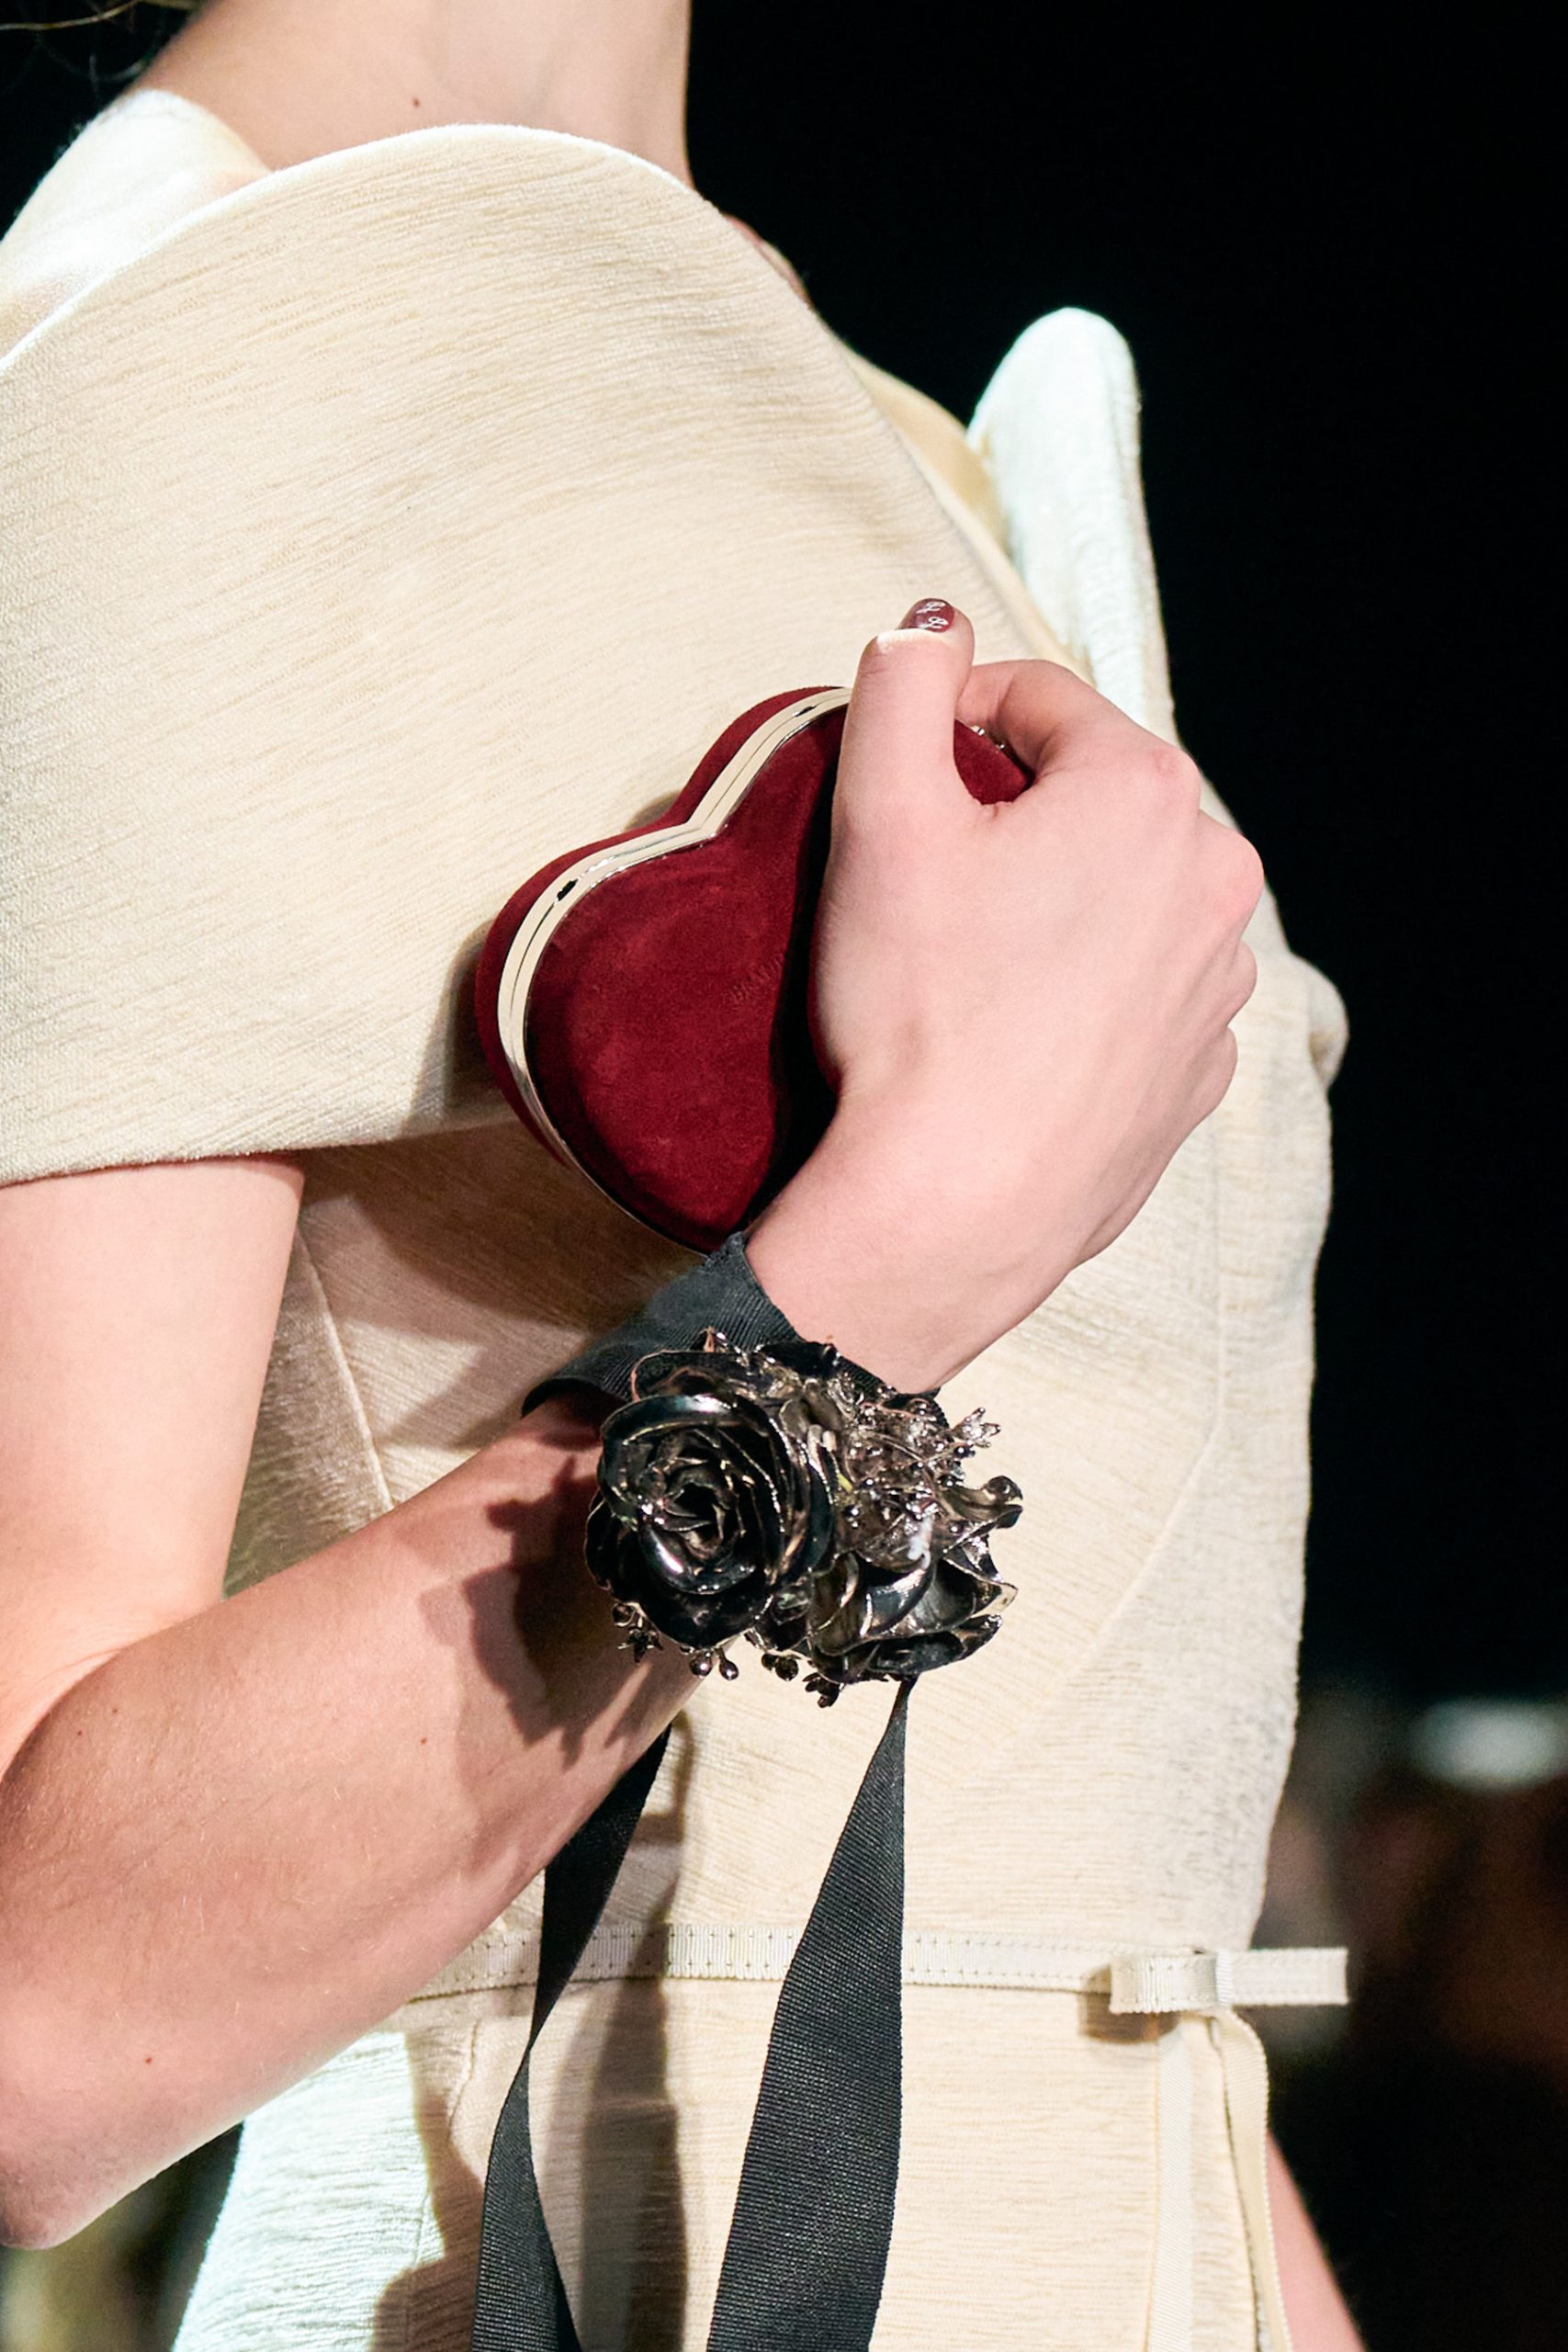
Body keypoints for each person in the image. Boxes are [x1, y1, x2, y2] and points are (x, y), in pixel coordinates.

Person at [0, 2, 1361, 2345]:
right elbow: (37, 2012)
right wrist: (865, 1280)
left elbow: (1105, 1981)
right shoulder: (172, 333)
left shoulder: (876, 437)